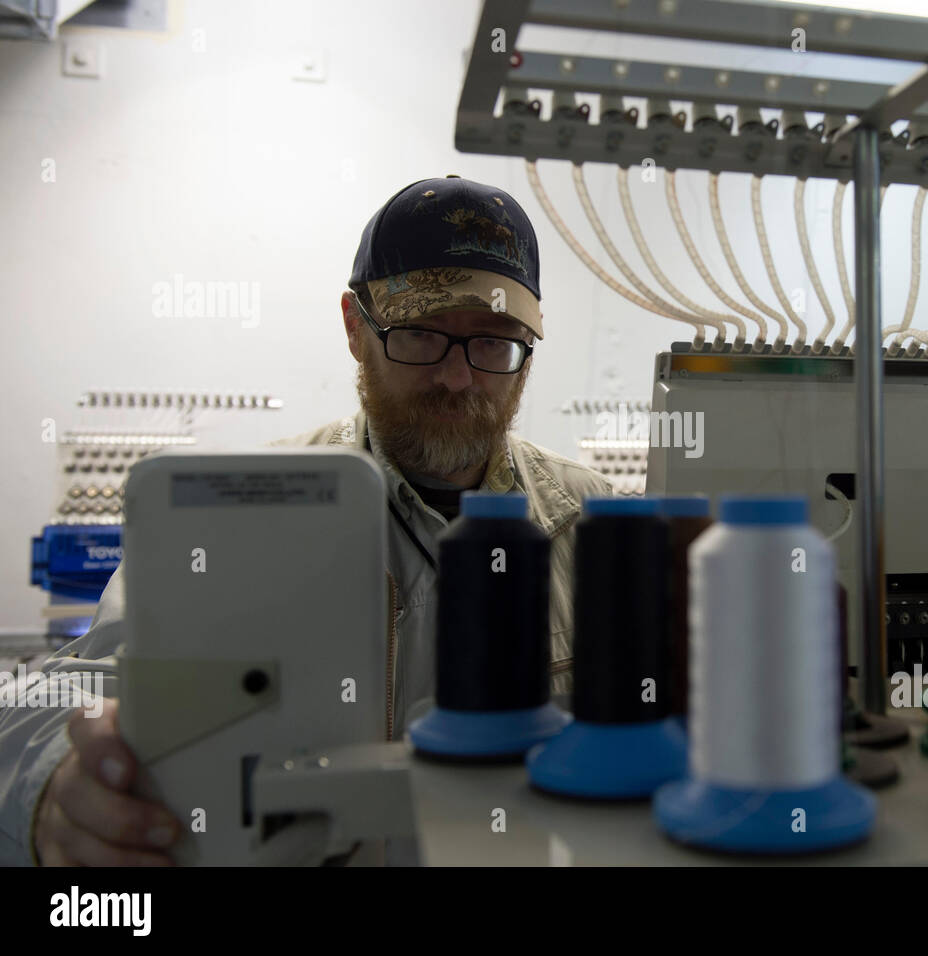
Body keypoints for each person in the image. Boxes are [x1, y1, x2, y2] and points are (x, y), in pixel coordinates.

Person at [0, 176, 611, 865]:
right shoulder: (238, 513)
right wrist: (53, 785)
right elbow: (65, 689)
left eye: (495, 343)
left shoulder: (591, 522)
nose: (459, 379)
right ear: (356, 328)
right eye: (419, 335)